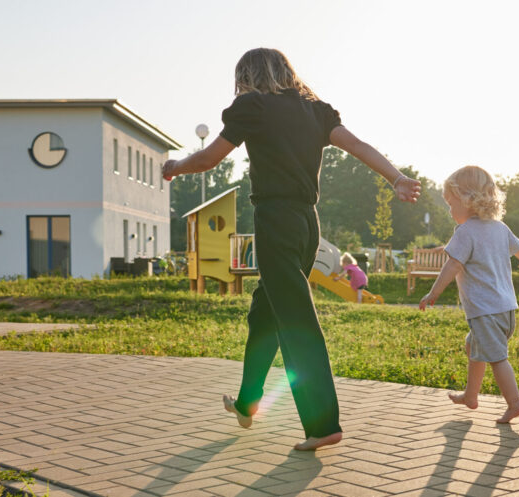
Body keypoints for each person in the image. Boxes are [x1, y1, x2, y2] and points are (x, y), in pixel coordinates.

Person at [161, 48, 421, 451]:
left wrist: (176, 165)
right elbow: (358, 145)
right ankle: (247, 403)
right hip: (306, 224)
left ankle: (322, 424)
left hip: (276, 221)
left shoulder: (252, 106)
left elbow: (211, 159)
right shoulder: (315, 111)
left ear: (246, 76)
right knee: (265, 312)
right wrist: (397, 177)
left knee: (296, 319)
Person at [418, 165, 519, 424]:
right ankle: (471, 396)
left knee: (497, 358)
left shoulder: (466, 232)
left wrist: (433, 292)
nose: (449, 210)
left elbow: (453, 265)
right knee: (473, 345)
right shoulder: (500, 228)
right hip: (505, 309)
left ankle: (515, 403)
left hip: (485, 311)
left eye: (451, 203)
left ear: (467, 200)